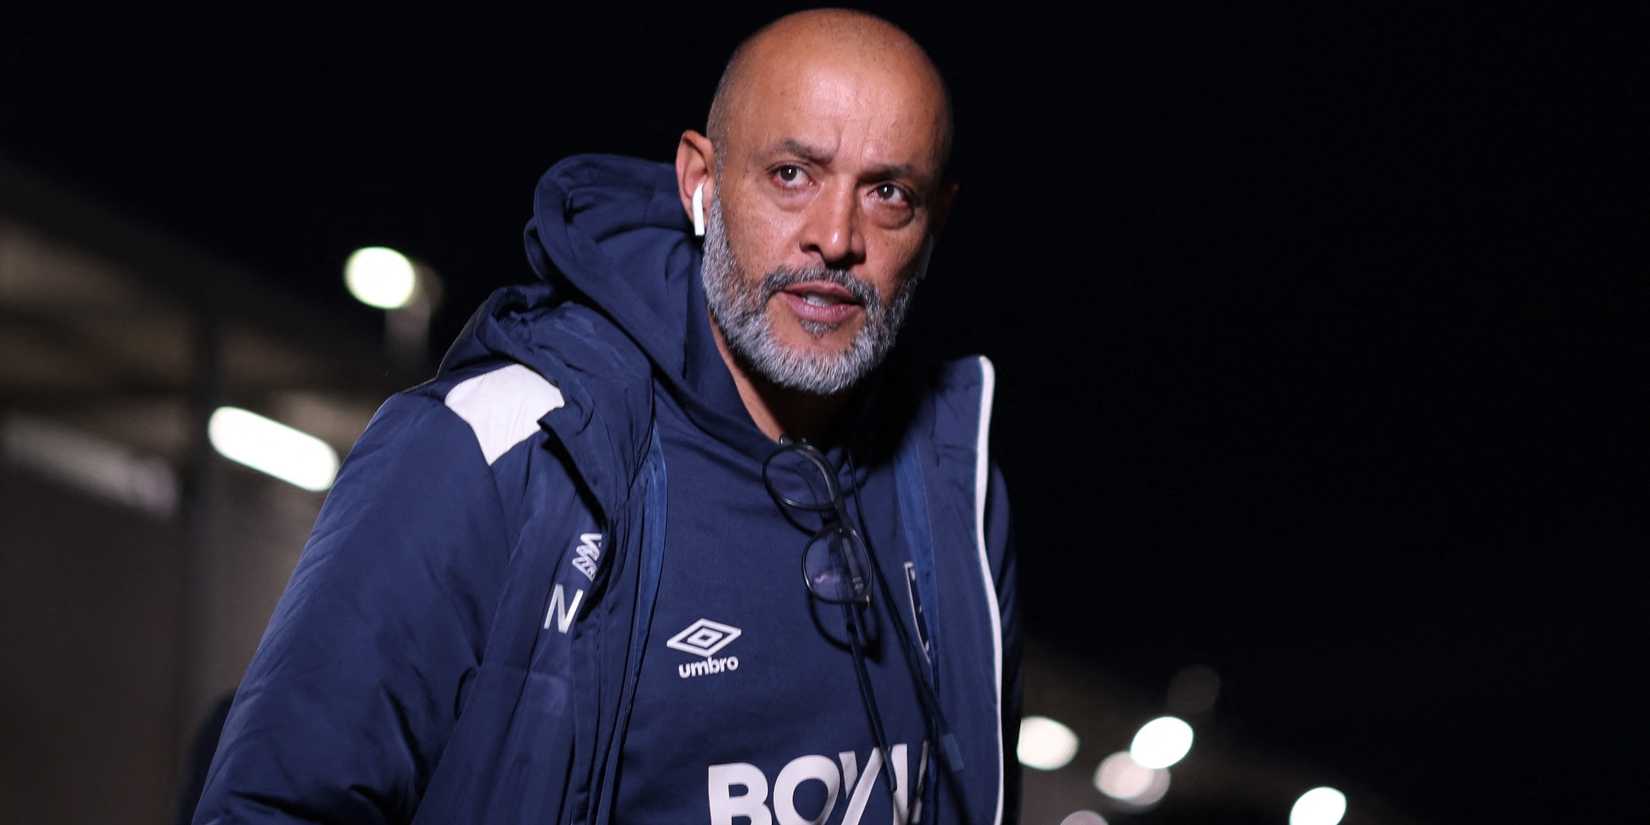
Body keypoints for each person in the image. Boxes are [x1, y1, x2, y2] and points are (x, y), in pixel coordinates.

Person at [192, 8, 1019, 825]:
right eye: (792, 175)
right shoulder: (503, 450)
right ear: (700, 180)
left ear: (936, 217)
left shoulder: (957, 491)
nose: (835, 238)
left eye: (887, 193)